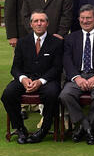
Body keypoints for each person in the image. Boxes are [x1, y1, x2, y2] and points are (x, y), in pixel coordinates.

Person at [1, 10, 63, 144]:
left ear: (47, 23)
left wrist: (41, 81)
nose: (39, 23)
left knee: (52, 94)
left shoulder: (56, 43)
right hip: (26, 79)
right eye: (36, 21)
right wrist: (23, 78)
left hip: (47, 80)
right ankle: (20, 129)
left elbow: (57, 68)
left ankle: (44, 130)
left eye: (42, 21)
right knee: (7, 94)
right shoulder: (22, 42)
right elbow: (15, 68)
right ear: (31, 24)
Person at [59, 4, 94, 145]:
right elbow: (66, 60)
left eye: (89, 18)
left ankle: (82, 129)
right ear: (78, 19)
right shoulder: (71, 38)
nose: (85, 21)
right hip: (77, 77)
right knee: (65, 95)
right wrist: (76, 78)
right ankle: (87, 127)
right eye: (82, 18)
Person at [4, 0, 42, 120]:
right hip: (22, 36)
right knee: (22, 69)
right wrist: (12, 35)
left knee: (41, 67)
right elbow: (10, 10)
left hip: (42, 35)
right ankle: (23, 105)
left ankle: (36, 101)